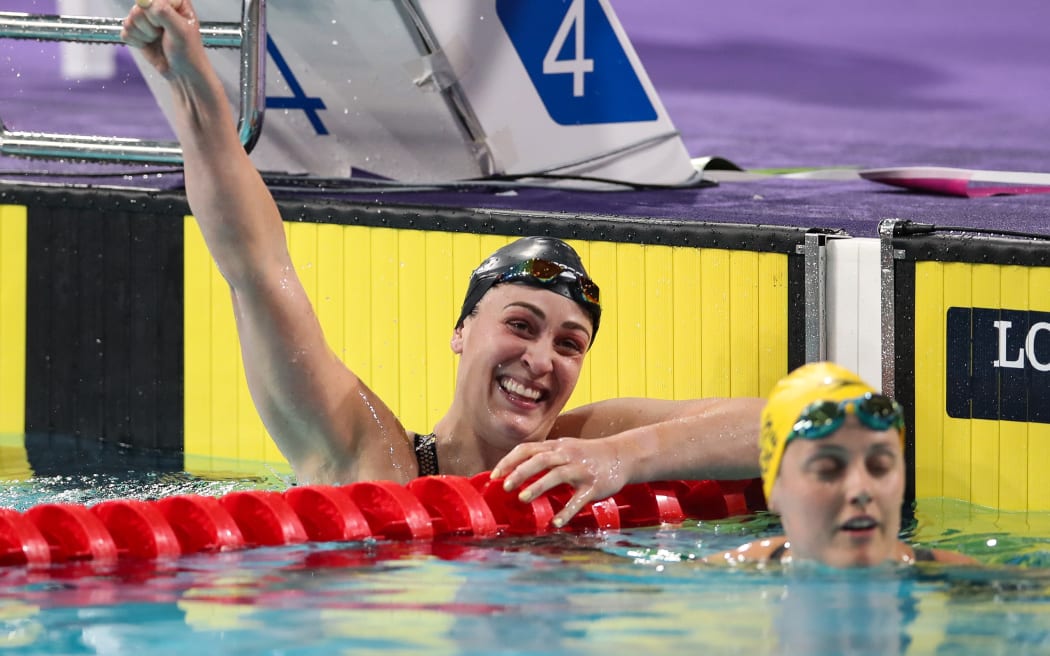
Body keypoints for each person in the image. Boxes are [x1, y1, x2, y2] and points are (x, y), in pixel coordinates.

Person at [120, 0, 764, 527]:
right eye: (520, 324)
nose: (541, 361)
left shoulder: (581, 444)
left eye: (570, 344)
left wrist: (621, 459)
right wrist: (196, 90)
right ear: (460, 333)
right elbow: (256, 269)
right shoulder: (372, 458)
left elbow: (784, 422)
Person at [708, 361, 977, 567]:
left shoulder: (968, 582)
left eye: (880, 466)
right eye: (828, 470)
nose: (861, 489)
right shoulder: (714, 580)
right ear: (775, 489)